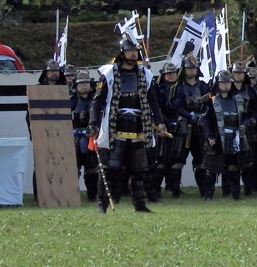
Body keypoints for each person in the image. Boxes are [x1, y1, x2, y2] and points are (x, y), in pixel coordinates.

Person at [88, 37, 168, 213]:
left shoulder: (146, 75)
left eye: (135, 50)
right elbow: (97, 102)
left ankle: (140, 205)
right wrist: (93, 124)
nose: (133, 53)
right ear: (121, 52)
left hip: (139, 126)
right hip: (114, 125)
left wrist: (160, 122)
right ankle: (102, 205)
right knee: (109, 169)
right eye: (130, 50)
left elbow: (153, 101)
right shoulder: (108, 74)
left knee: (139, 170)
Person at [200, 70, 251, 201]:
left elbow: (246, 116)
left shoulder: (239, 99)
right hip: (216, 138)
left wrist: (243, 125)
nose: (226, 85)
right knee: (211, 169)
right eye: (223, 82)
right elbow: (204, 120)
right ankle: (208, 195)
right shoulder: (211, 100)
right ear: (218, 83)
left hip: (234, 137)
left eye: (228, 82)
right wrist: (209, 136)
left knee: (234, 167)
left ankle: (235, 195)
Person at [170, 56, 210, 198]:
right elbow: (176, 106)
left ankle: (204, 190)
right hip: (183, 127)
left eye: (193, 68)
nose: (191, 70)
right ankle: (175, 192)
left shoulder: (204, 86)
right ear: (184, 69)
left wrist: (202, 116)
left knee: (201, 160)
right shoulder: (178, 87)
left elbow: (210, 104)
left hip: (200, 127)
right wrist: (190, 116)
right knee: (178, 159)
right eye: (189, 68)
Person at [230, 62, 257, 197]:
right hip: (230, 128)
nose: (238, 75)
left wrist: (253, 119)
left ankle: (248, 190)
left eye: (241, 73)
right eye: (236, 72)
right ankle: (232, 191)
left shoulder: (250, 90)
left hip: (247, 128)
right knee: (232, 162)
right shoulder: (227, 89)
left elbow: (256, 109)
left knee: (248, 162)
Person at [149, 62, 179, 202]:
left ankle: (174, 188)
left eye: (173, 73)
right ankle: (156, 189)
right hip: (162, 125)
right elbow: (156, 107)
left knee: (176, 158)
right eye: (168, 73)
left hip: (180, 125)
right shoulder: (158, 89)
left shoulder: (181, 88)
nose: (171, 75)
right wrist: (163, 122)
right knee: (160, 159)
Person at [71, 70, 99, 201]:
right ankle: (72, 195)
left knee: (92, 168)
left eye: (87, 82)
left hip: (91, 137)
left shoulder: (97, 100)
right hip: (73, 138)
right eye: (81, 83)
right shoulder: (70, 100)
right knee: (73, 168)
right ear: (76, 85)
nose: (84, 85)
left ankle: (92, 195)